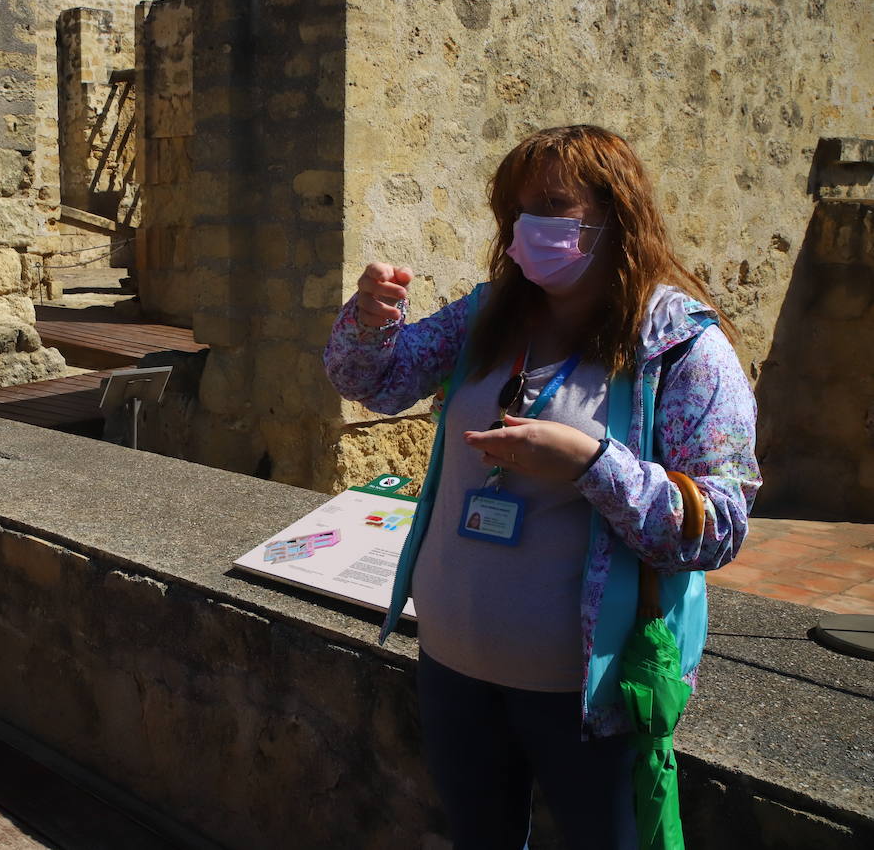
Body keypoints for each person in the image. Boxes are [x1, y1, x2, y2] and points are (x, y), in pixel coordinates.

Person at [323, 125, 759, 848]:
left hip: (589, 697)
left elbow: (716, 524)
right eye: (515, 209)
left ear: (615, 214)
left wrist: (592, 463)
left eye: (551, 205)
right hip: (454, 667)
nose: (527, 226)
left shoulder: (682, 347)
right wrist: (370, 322)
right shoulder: (489, 315)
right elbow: (376, 382)